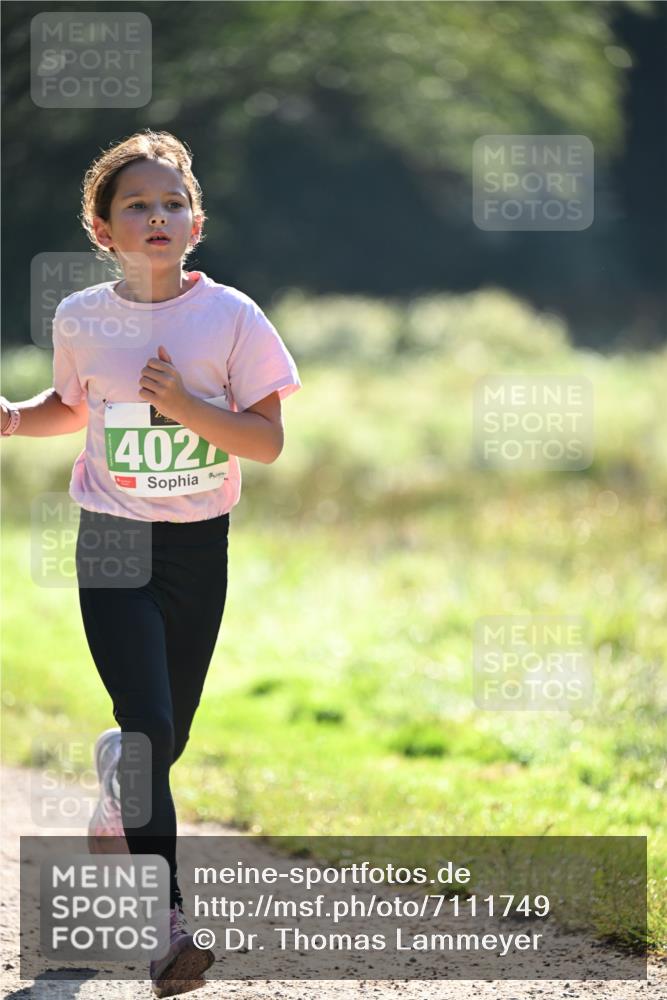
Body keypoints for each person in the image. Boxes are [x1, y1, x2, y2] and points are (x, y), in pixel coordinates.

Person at [1, 129, 302, 997]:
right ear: (103, 230)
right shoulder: (80, 318)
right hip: (111, 536)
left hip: (198, 546)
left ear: (195, 223)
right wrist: (15, 420)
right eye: (136, 204)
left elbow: (268, 443)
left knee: (163, 737)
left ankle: (111, 799)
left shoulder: (233, 318)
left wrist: (187, 405)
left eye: (172, 203)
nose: (156, 215)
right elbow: (71, 406)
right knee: (146, 731)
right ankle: (166, 931)